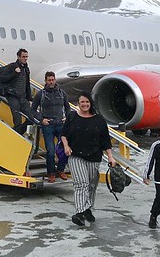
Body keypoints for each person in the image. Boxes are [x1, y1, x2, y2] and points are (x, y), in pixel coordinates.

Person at [61, 91, 116, 227]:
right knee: (81, 184)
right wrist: (66, 146)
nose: (84, 104)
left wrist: (110, 156)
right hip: (76, 156)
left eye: (87, 102)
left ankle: (88, 209)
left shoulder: (99, 120)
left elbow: (105, 141)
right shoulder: (72, 116)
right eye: (82, 102)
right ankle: (80, 212)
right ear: (78, 104)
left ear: (90, 103)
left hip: (94, 157)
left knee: (91, 185)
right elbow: (63, 134)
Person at [31, 71, 70, 183]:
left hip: (60, 124)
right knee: (51, 151)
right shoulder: (41, 94)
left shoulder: (62, 93)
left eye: (53, 79)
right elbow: (33, 110)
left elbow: (67, 108)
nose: (51, 82)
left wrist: (67, 118)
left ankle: (61, 169)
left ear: (55, 80)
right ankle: (51, 173)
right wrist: (41, 119)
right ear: (46, 81)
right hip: (48, 125)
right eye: (49, 80)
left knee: (66, 148)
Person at [0, 49, 38, 135]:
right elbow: (2, 78)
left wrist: (29, 98)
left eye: (26, 57)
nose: (25, 59)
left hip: (23, 97)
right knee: (17, 120)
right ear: (18, 57)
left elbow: (27, 84)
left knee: (31, 119)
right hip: (13, 95)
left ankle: (17, 133)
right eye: (23, 57)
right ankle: (17, 135)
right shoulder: (12, 66)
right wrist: (14, 73)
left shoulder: (26, 69)